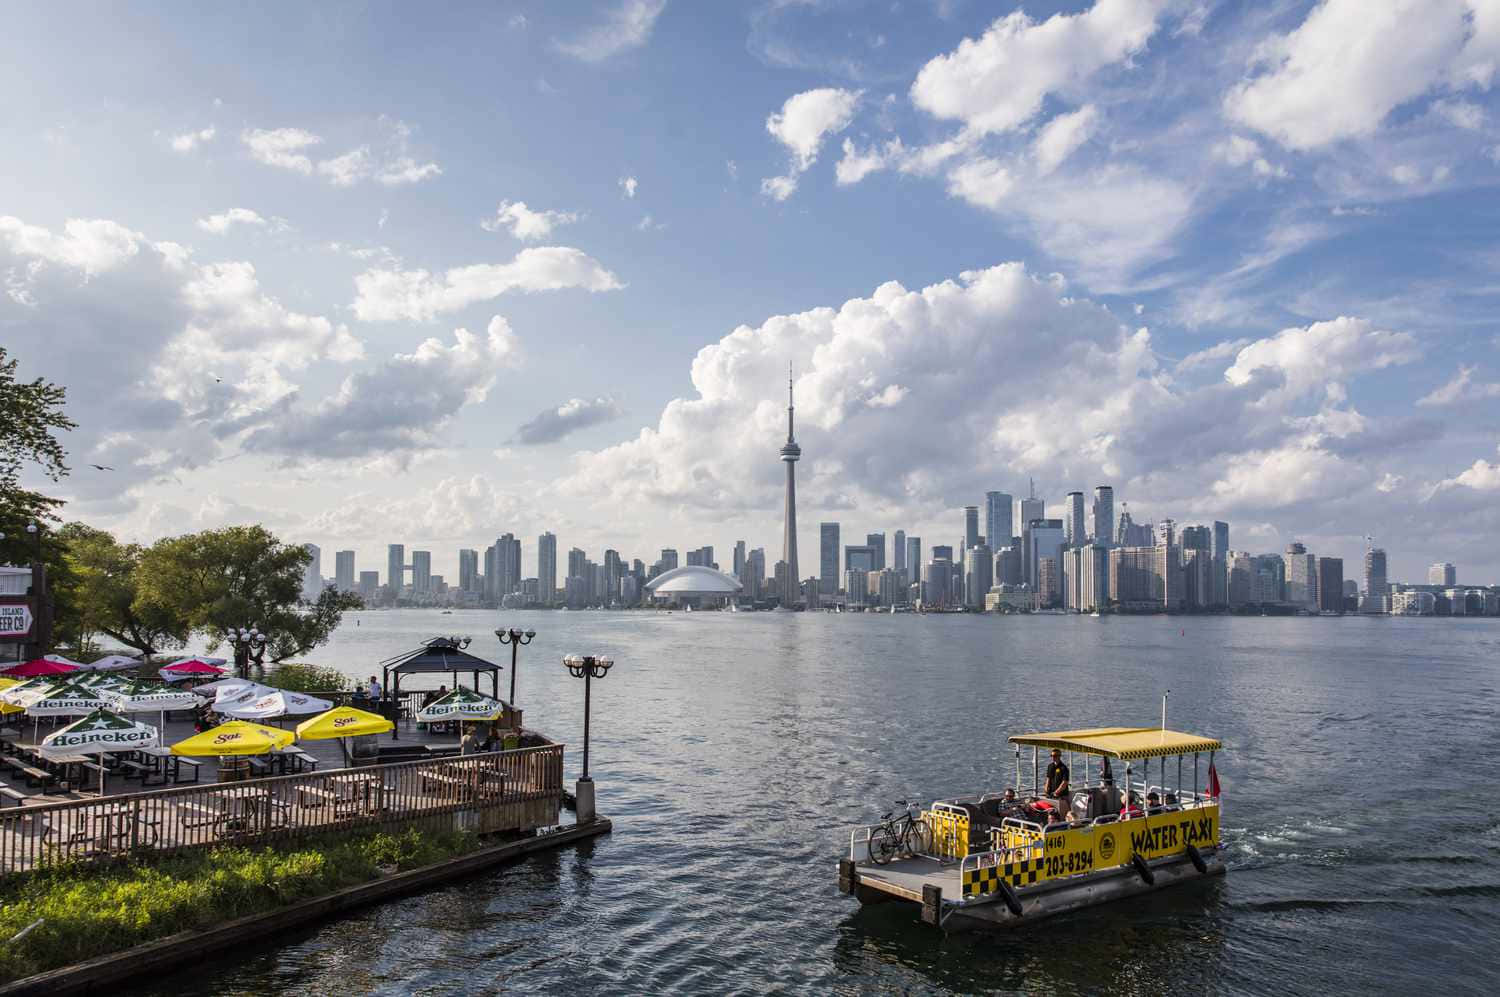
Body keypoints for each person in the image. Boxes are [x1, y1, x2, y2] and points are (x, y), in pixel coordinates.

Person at [1044, 749, 1070, 817]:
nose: (1053, 757)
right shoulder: (1050, 766)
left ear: (1059, 756)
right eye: (1051, 756)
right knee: (1052, 812)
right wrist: (1046, 789)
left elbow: (1064, 783)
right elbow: (1048, 779)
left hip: (1062, 795)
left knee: (1062, 813)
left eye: (1055, 756)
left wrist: (1056, 792)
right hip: (1051, 794)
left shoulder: (1064, 768)